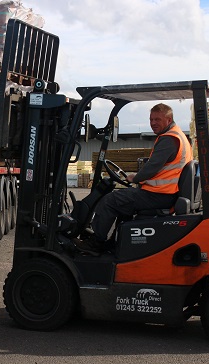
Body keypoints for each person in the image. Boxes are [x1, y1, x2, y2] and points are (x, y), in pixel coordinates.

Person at [74, 103, 193, 255]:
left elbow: (152, 168)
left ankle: (95, 243)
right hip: (164, 193)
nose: (153, 123)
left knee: (110, 201)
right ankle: (114, 242)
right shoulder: (178, 136)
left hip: (159, 195)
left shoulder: (169, 139)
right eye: (151, 119)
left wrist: (135, 177)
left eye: (157, 119)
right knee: (123, 204)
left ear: (168, 120)